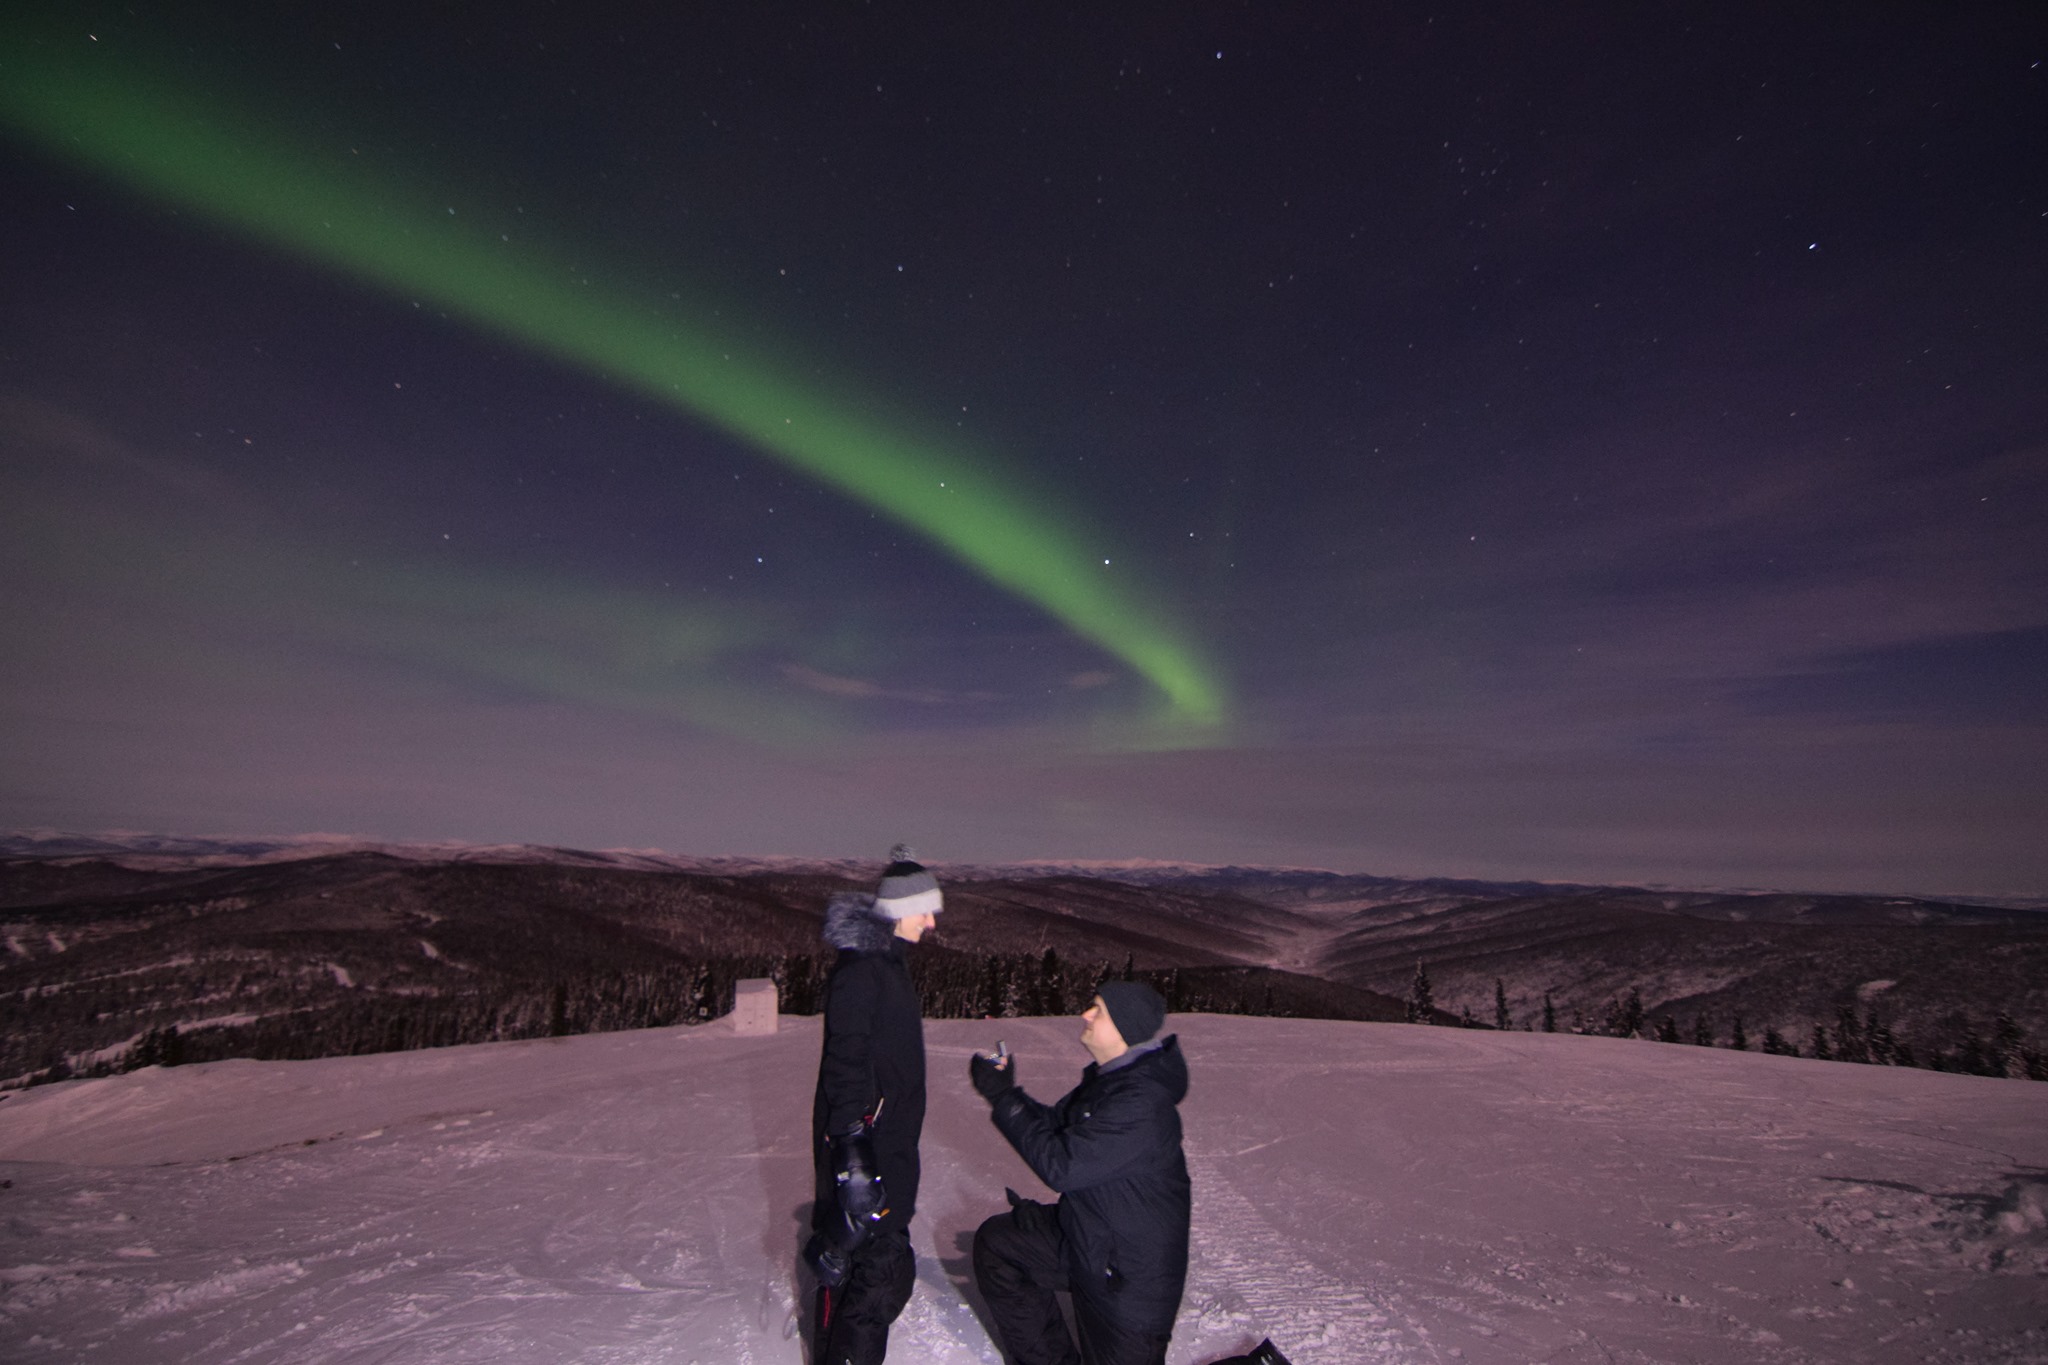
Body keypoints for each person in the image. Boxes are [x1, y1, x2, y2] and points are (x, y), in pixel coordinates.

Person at [968, 980, 1192, 1365]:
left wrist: (1005, 1100)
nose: (1085, 1014)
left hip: (1126, 1281)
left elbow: (1063, 1166)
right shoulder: (1113, 1080)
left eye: (1098, 1010)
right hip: (1088, 1238)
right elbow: (1056, 1127)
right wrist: (1007, 1092)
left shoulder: (1141, 1102)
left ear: (1125, 1028)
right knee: (999, 1246)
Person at [806, 845, 942, 1365]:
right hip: (869, 1144)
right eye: (924, 910)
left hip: (887, 1139)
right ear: (897, 910)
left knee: (868, 1270)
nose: (930, 923)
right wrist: (853, 1155)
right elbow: (845, 1059)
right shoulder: (863, 969)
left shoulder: (886, 961)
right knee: (880, 1273)